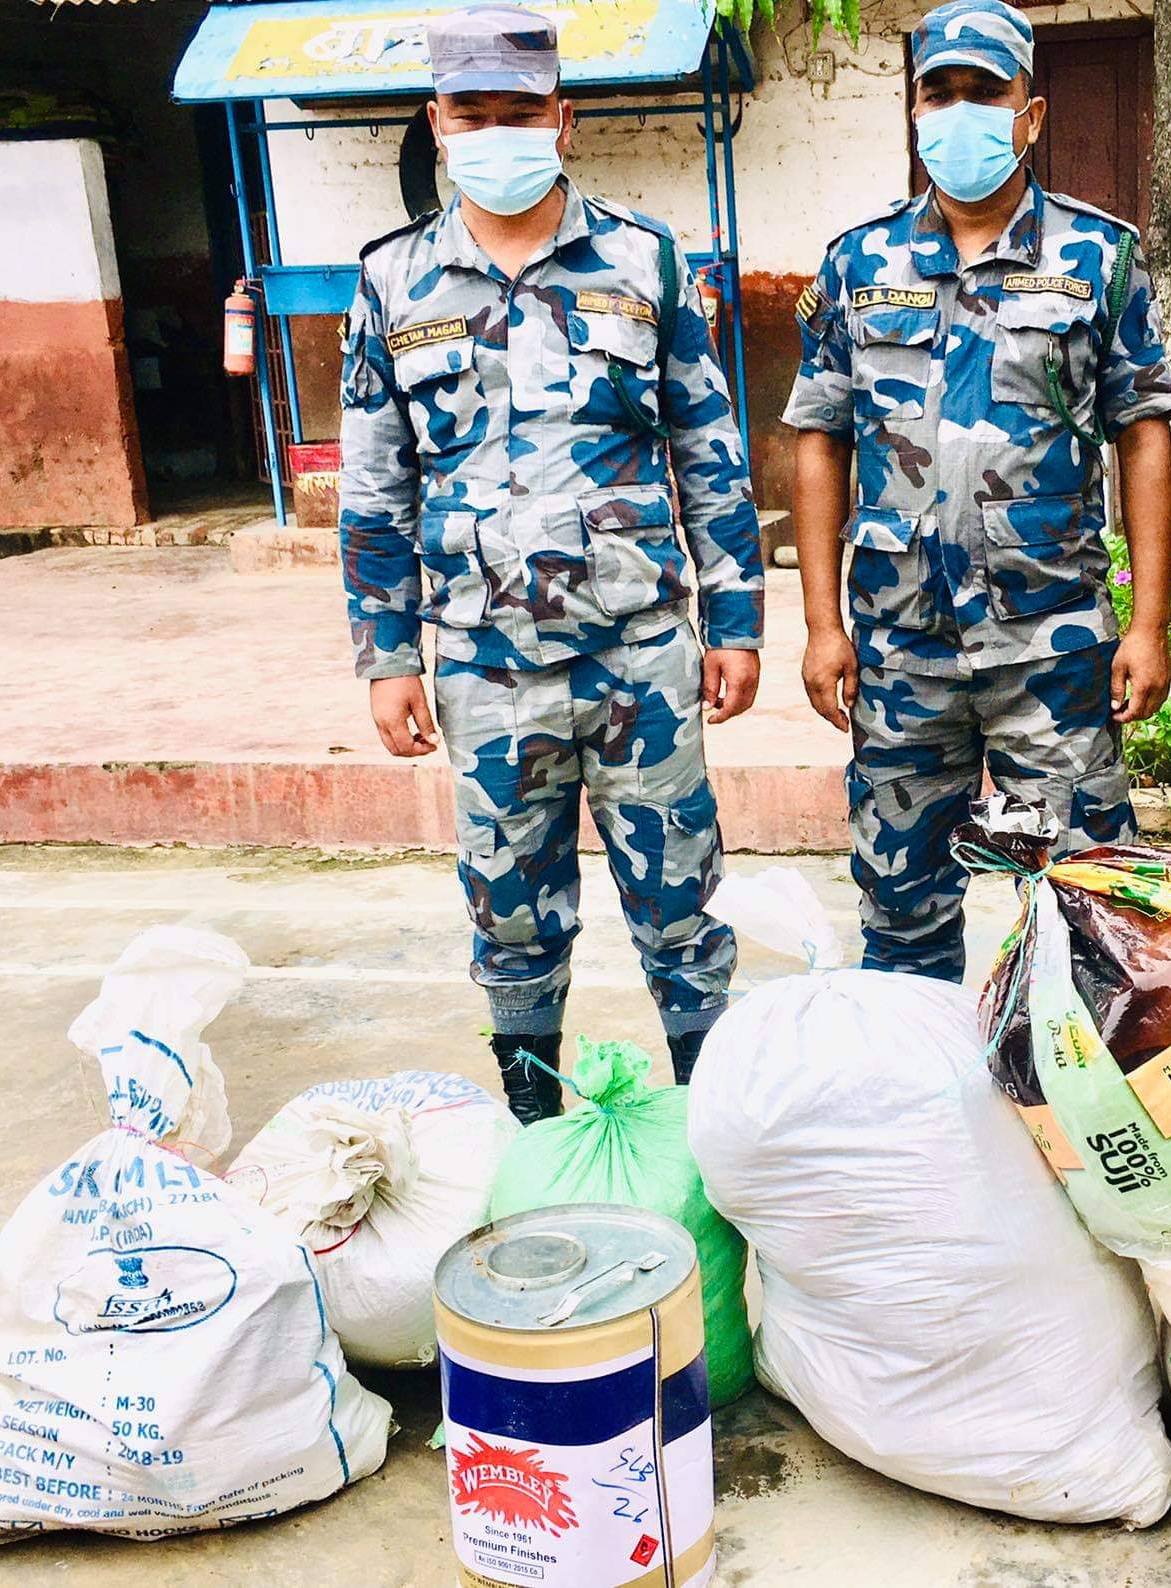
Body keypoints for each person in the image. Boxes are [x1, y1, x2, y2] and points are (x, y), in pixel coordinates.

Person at [337, 4, 763, 1119]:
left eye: (519, 112)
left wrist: (736, 623)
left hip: (639, 654)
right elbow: (375, 489)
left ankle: (711, 1134)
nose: (497, 131)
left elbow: (709, 453)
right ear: (438, 123)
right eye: (471, 111)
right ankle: (533, 1127)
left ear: (561, 119)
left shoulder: (644, 260)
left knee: (680, 908)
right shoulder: (393, 281)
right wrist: (387, 654)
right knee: (510, 916)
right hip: (486, 665)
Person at [784, 0, 1171, 980]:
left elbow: (1142, 434)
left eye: (984, 93)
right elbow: (818, 441)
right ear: (915, 110)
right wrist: (822, 624)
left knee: (1090, 914)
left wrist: (1148, 624)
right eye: (941, 93)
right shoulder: (857, 262)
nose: (960, 112)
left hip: (1051, 645)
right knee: (901, 913)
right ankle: (925, 1076)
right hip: (901, 648)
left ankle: (1071, 1084)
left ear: (1029, 115)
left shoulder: (1100, 257)